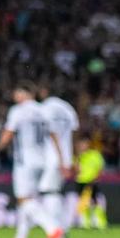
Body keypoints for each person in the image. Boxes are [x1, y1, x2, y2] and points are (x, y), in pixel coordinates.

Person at [0, 88, 65, 238]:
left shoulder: (19, 111)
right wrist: (61, 159)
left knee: (24, 200)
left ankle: (52, 228)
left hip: (25, 161)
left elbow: (8, 133)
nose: (16, 97)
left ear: (25, 93)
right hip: (41, 161)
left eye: (18, 94)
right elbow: (54, 135)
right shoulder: (43, 110)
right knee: (29, 200)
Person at [40, 87, 80, 230]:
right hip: (67, 157)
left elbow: (53, 133)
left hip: (52, 157)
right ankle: (61, 229)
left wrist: (61, 159)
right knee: (55, 191)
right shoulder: (69, 109)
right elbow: (75, 136)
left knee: (49, 191)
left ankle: (56, 231)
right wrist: (75, 159)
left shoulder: (46, 107)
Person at [75, 136, 108, 229]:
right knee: (84, 203)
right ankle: (86, 223)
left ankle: (101, 222)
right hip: (81, 181)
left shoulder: (95, 155)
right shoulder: (79, 156)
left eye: (85, 144)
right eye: (81, 144)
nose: (83, 146)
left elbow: (100, 168)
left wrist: (96, 177)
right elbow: (76, 169)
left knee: (95, 202)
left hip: (92, 181)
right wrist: (78, 158)